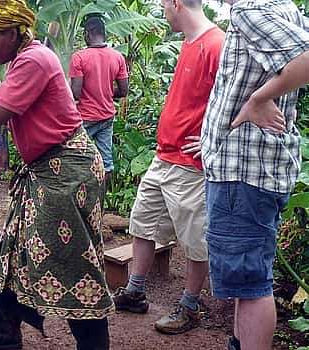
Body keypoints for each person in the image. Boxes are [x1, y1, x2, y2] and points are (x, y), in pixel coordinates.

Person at [0, 1, 113, 349]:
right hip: (47, 171)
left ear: (13, 33)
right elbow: (2, 108)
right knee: (16, 246)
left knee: (72, 263)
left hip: (66, 174)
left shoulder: (34, 59)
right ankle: (4, 334)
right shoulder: (25, 58)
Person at [111, 0, 224, 335]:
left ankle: (189, 306)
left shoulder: (215, 45)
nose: (163, 11)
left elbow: (239, 98)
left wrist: (211, 142)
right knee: (142, 222)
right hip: (164, 156)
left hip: (190, 164)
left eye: (163, 5)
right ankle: (135, 291)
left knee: (194, 240)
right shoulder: (190, 43)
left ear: (176, 3)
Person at [200, 0, 309, 348]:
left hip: (243, 170)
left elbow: (306, 59)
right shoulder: (283, 6)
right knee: (246, 280)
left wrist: (258, 100)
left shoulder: (250, 9)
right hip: (258, 167)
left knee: (250, 283)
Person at [69, 16, 129, 188]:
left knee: (77, 160)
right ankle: (99, 204)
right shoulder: (117, 57)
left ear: (88, 34)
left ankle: (79, 199)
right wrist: (107, 92)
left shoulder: (79, 57)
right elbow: (124, 91)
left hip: (85, 118)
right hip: (107, 117)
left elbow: (76, 93)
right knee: (106, 163)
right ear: (104, 33)